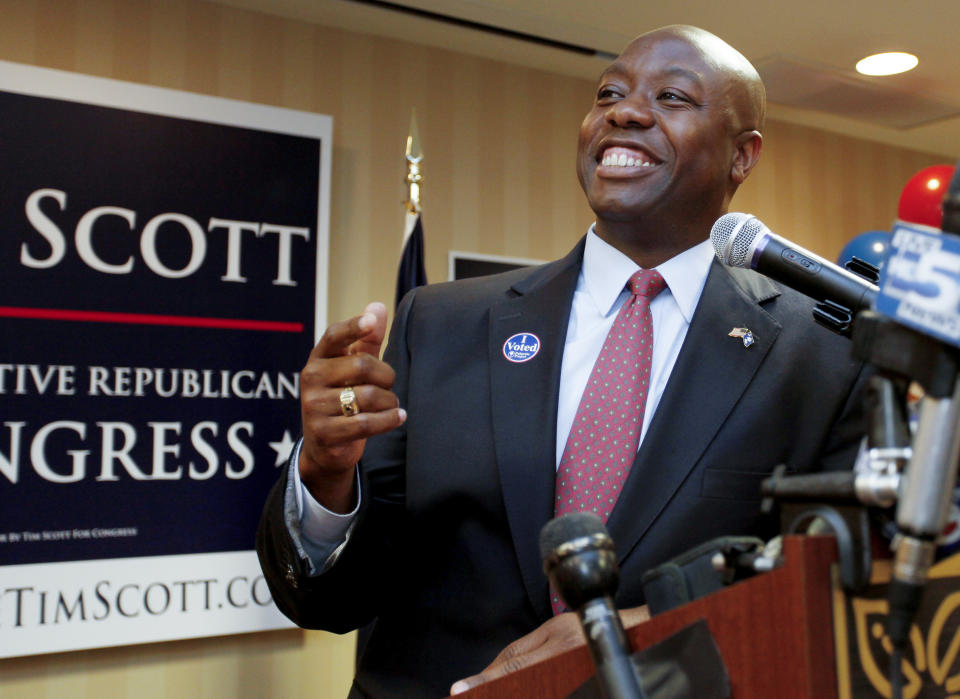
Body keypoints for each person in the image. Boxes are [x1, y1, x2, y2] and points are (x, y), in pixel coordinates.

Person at [257, 24, 868, 698]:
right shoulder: (440, 324)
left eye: (672, 97)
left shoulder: (824, 352)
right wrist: (322, 476)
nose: (626, 111)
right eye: (609, 92)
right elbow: (334, 599)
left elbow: (844, 576)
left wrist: (649, 624)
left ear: (742, 156)